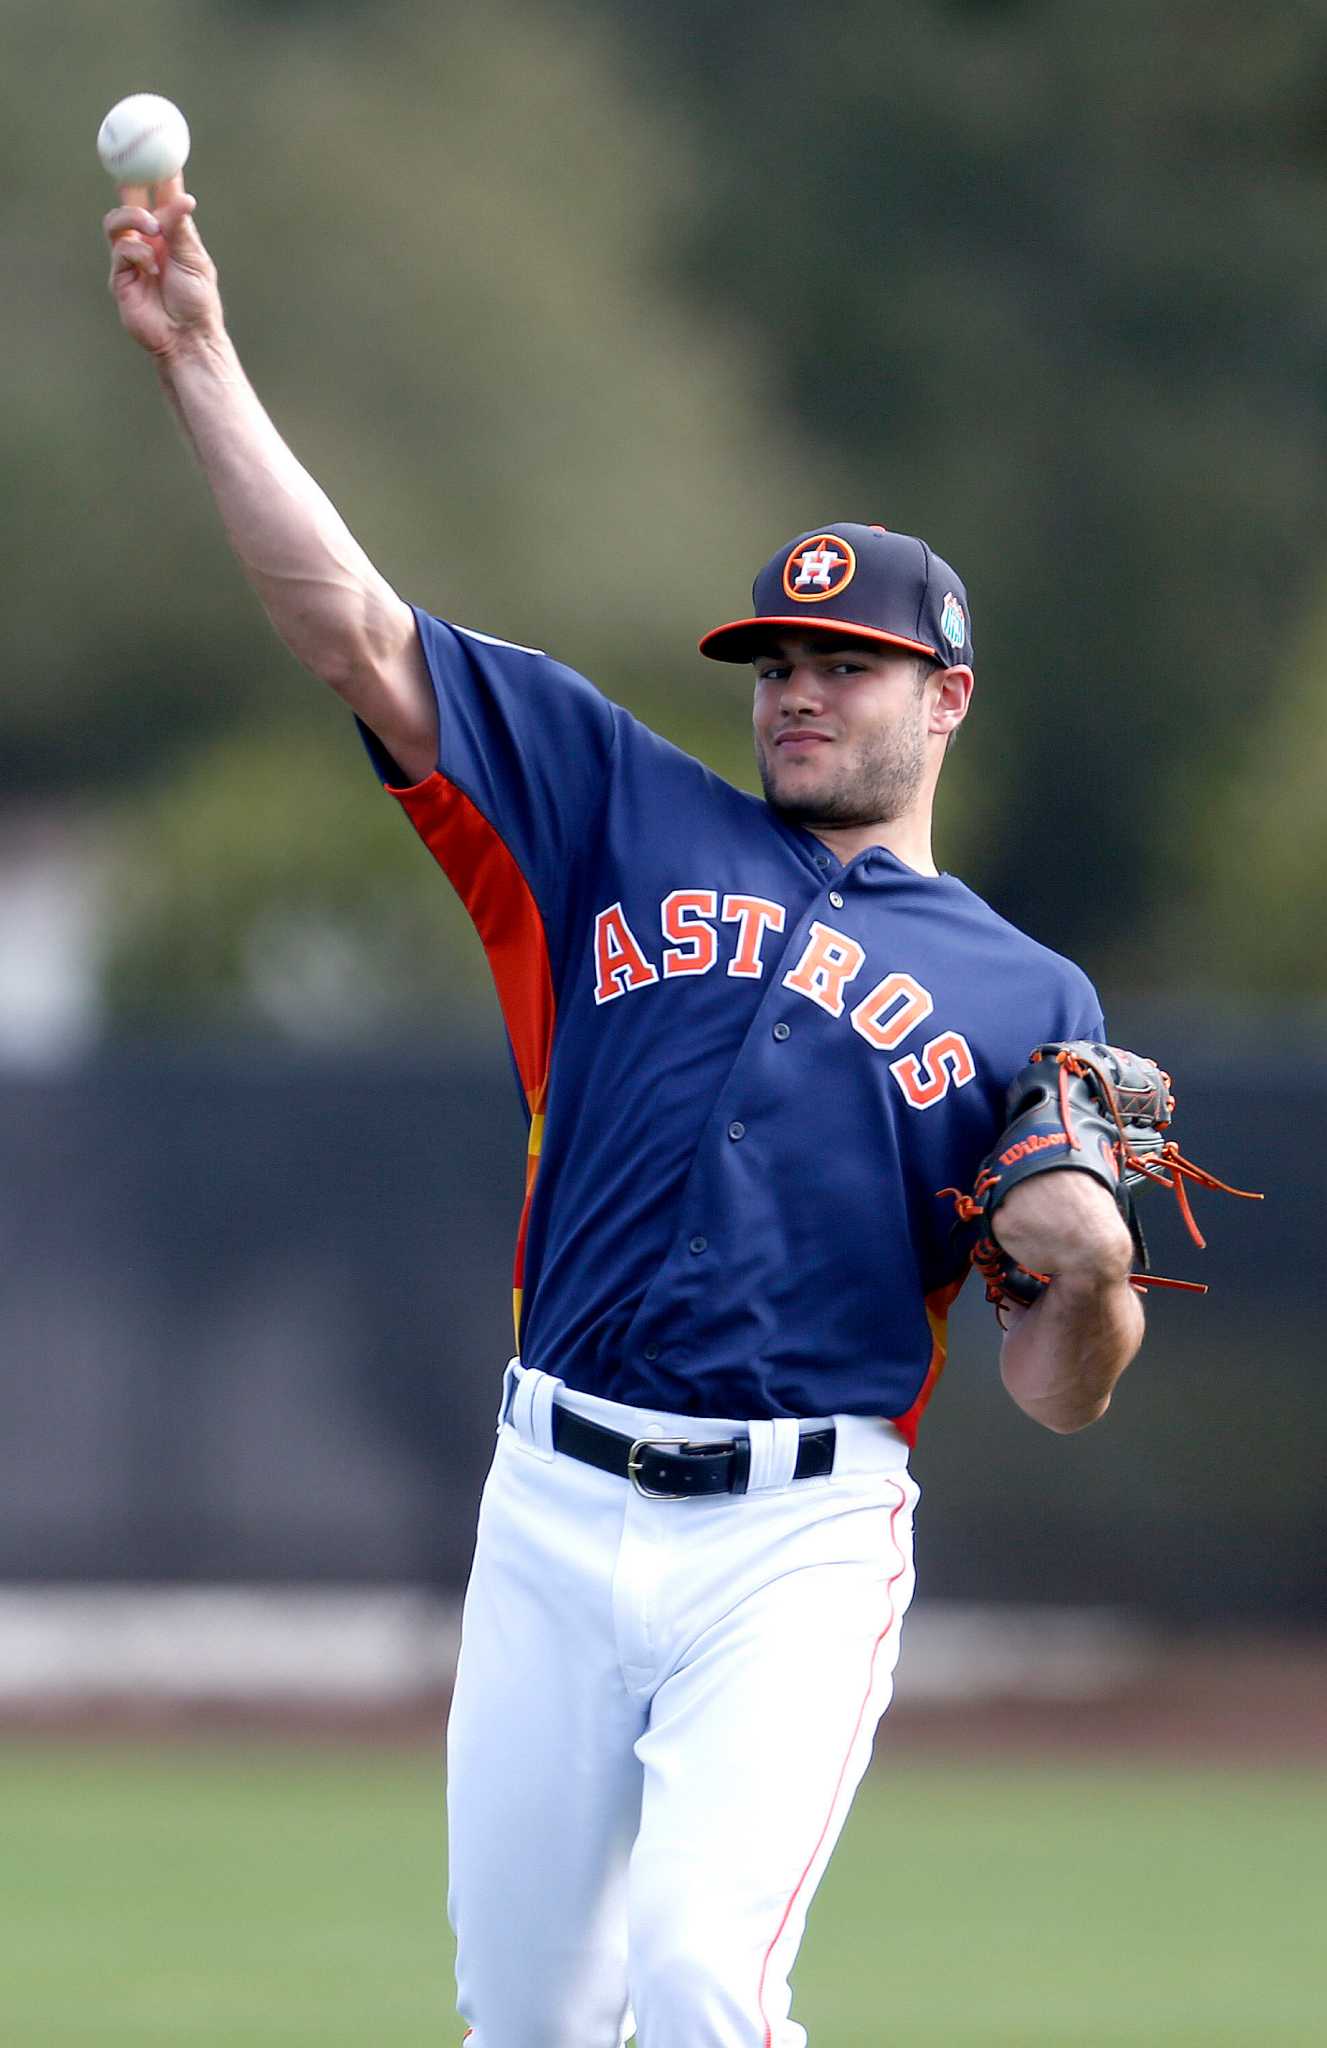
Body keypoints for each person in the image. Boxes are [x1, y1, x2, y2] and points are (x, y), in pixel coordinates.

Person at [104, 180, 1144, 2048]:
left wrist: (1093, 1285)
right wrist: (201, 359)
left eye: (849, 665)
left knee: (699, 1977)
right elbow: (351, 627)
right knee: (525, 2019)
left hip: (798, 1543)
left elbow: (1060, 1390)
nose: (801, 691)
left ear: (950, 699)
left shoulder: (1026, 996)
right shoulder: (613, 810)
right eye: (780, 664)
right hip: (554, 1501)